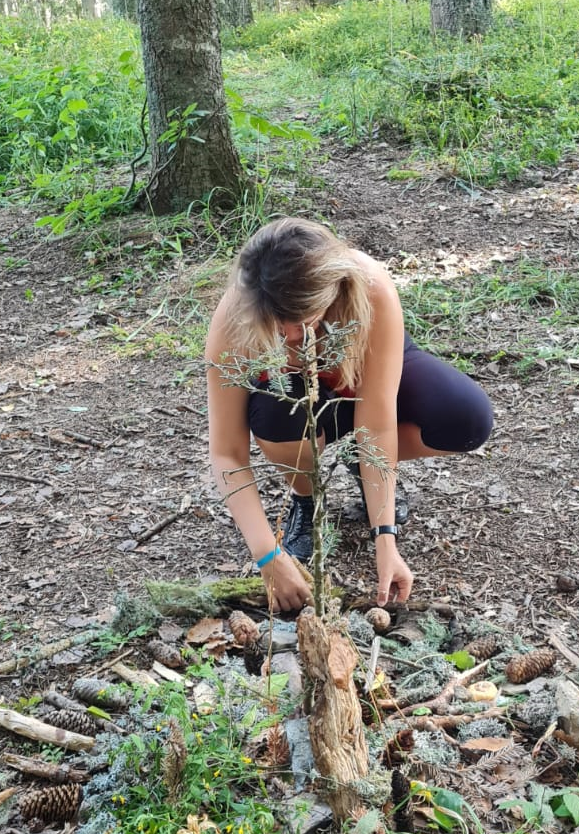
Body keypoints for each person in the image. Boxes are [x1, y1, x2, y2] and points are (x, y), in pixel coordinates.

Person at [204, 218, 493, 612]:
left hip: (358, 376)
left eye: (303, 320)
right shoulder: (236, 317)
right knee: (277, 414)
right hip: (293, 403)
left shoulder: (367, 286)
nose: (290, 336)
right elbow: (227, 452)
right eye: (277, 323)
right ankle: (306, 500)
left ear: (332, 291)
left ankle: (359, 465)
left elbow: (375, 424)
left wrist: (385, 540)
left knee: (465, 418)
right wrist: (267, 554)